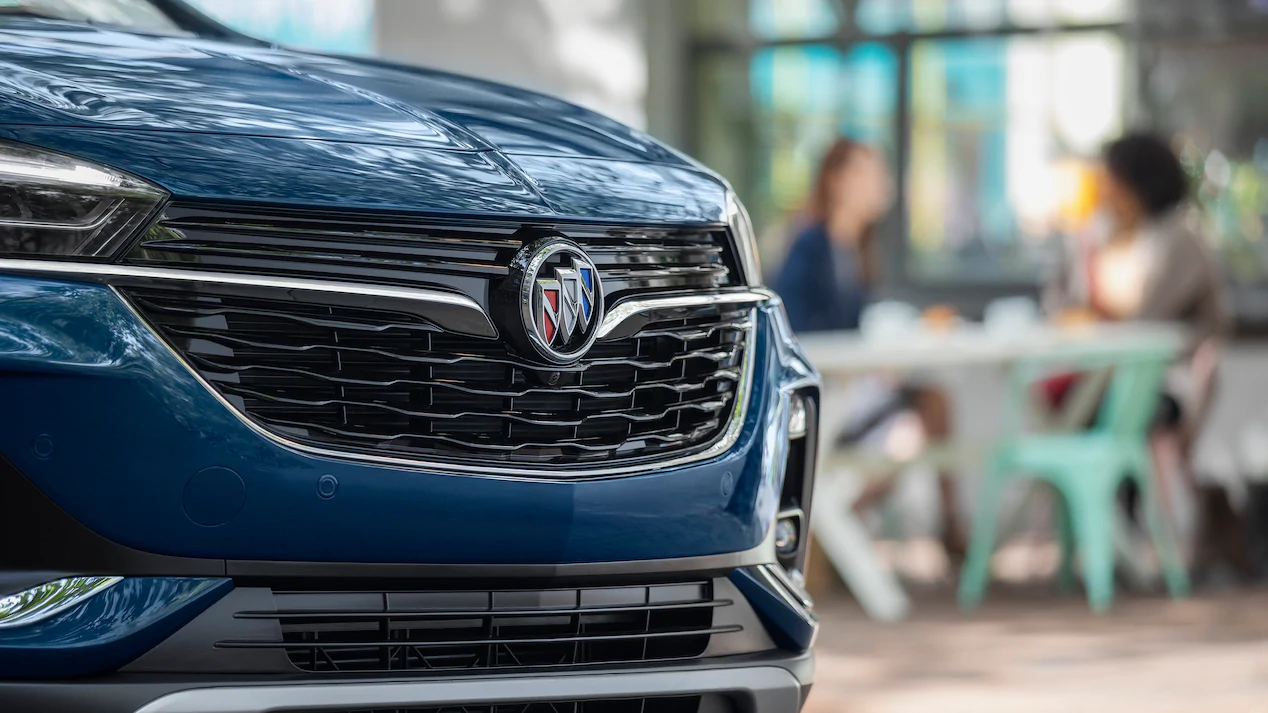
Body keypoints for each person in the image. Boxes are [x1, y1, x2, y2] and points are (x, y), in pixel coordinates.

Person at [774, 137, 966, 563]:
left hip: (853, 386)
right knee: (911, 433)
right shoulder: (811, 246)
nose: (883, 186)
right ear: (839, 180)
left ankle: (949, 527)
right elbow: (795, 332)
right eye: (871, 174)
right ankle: (833, 537)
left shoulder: (856, 250)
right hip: (827, 396)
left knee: (935, 403)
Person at [1044, 133, 1229, 537]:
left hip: (1166, 383)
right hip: (1108, 376)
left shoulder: (1178, 240)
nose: (1102, 188)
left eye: (1109, 178)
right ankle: (1108, 538)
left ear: (1134, 182)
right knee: (1067, 408)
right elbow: (1061, 304)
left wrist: (1095, 314)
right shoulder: (1102, 236)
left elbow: (1145, 324)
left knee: (1107, 416)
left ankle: (1131, 538)